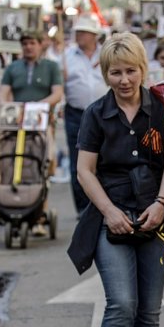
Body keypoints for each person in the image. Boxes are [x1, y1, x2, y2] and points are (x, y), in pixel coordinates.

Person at [67, 32, 164, 327]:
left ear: (142, 69)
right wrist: (109, 212)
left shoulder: (161, 109)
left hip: (155, 214)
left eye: (130, 71)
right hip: (110, 216)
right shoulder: (96, 114)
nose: (124, 80)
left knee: (149, 309)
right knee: (121, 305)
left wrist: (162, 204)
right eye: (115, 72)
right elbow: (85, 170)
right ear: (105, 74)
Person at [0, 29, 64, 235]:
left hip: (41, 124)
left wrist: (37, 106)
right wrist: (10, 106)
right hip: (15, 125)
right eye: (25, 43)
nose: (28, 47)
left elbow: (57, 93)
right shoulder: (13, 68)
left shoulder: (51, 67)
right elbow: (3, 93)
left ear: (40, 44)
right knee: (10, 160)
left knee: (43, 164)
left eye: (32, 43)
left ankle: (40, 214)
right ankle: (9, 205)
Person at [63, 17, 107, 215]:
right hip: (76, 114)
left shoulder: (106, 53)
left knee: (106, 159)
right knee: (78, 162)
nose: (79, 35)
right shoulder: (66, 55)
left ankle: (103, 204)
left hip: (103, 113)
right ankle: (83, 208)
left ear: (94, 35)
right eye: (77, 32)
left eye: (83, 32)